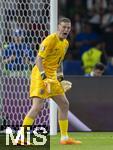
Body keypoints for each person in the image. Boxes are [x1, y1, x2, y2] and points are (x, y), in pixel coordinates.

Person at [16, 17, 81, 145]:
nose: (66, 30)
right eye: (63, 27)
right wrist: (44, 77)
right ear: (58, 27)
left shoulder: (65, 43)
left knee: (64, 104)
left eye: (68, 28)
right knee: (37, 106)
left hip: (52, 77)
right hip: (40, 75)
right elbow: (38, 60)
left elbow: (59, 62)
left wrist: (61, 79)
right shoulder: (50, 40)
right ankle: (20, 137)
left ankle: (64, 138)